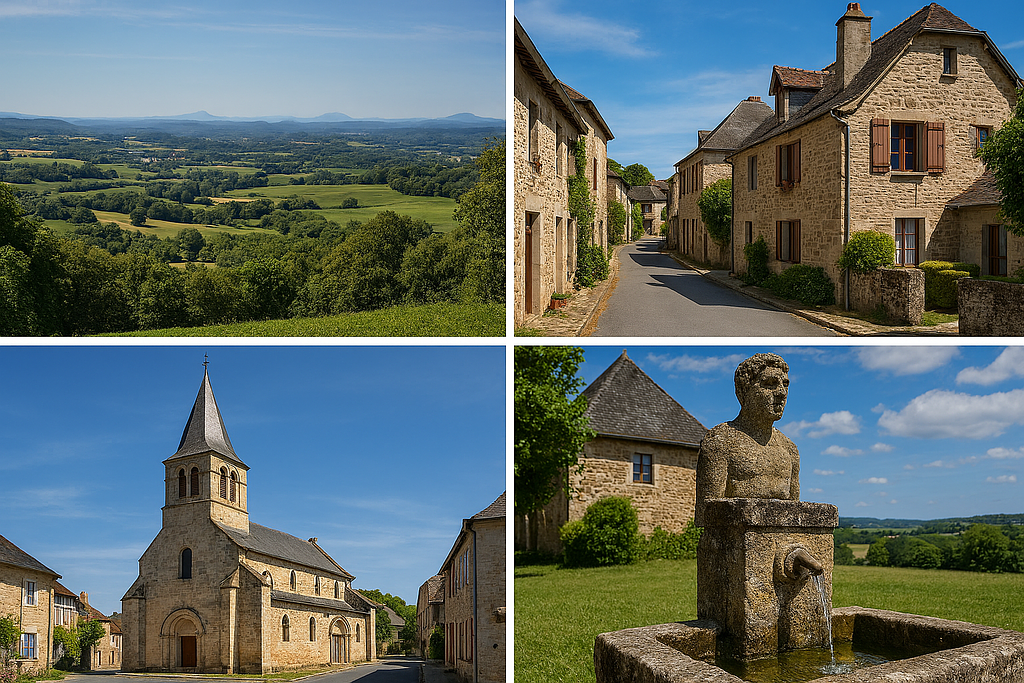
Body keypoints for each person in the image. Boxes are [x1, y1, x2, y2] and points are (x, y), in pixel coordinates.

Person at [695, 353, 800, 526]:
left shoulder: (789, 449)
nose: (781, 392)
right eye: (770, 384)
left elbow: (796, 518)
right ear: (744, 390)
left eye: (785, 384)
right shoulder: (720, 441)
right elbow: (707, 515)